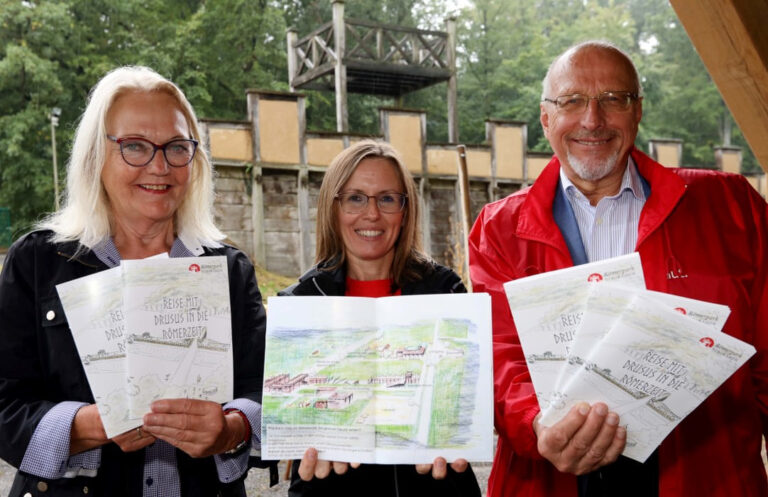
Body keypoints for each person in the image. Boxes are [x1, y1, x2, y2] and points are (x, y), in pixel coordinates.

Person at [469, 40, 768, 497]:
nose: (593, 119)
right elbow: (498, 356)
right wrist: (536, 425)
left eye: (614, 99)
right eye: (572, 101)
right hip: (554, 477)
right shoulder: (499, 229)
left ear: (637, 111)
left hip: (703, 472)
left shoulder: (730, 207)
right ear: (546, 118)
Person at [0, 66, 267, 496]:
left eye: (177, 147)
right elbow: (6, 403)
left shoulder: (230, 269)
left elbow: (266, 391)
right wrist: (87, 425)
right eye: (135, 147)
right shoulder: (37, 262)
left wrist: (231, 428)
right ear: (95, 156)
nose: (160, 167)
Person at [279, 139, 482, 497]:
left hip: (434, 486)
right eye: (355, 197)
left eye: (387, 198)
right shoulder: (300, 304)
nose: (371, 214)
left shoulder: (445, 293)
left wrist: (461, 430)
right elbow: (282, 414)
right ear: (333, 206)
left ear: (405, 210)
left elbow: (466, 403)